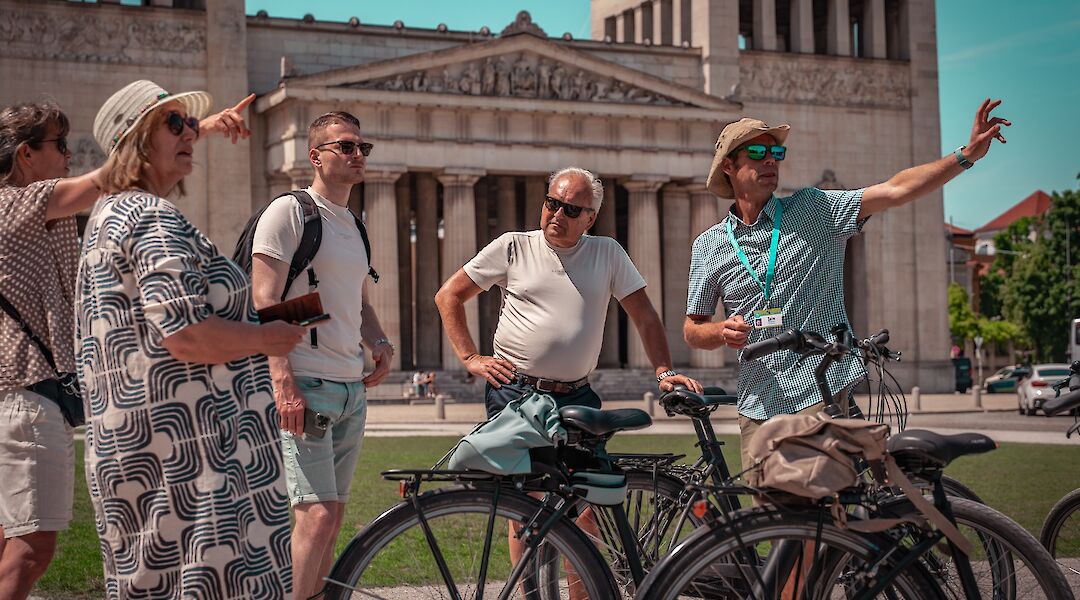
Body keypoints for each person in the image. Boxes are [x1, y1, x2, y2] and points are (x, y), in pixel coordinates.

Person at [0, 92, 252, 599]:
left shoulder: (33, 211)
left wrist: (187, 132)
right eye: (59, 144)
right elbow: (107, 178)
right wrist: (194, 131)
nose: (69, 155)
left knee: (12, 540)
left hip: (21, 393)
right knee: (32, 547)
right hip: (26, 392)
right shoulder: (14, 202)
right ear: (25, 154)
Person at [684, 99, 1010, 472]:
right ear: (729, 165)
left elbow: (894, 190)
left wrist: (965, 156)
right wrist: (720, 331)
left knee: (822, 512)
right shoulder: (709, 245)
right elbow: (692, 330)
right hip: (757, 401)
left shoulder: (814, 210)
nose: (771, 160)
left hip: (818, 386)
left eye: (776, 152)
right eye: (757, 152)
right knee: (771, 520)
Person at [75, 79, 305, 599]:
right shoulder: (151, 216)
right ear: (135, 140)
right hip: (197, 463)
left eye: (191, 123)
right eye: (174, 124)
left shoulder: (108, 216)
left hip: (141, 450)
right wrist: (268, 337)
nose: (190, 134)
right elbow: (186, 335)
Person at [436, 166, 702, 597]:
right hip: (515, 391)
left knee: (586, 508)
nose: (557, 214)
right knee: (525, 507)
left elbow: (645, 316)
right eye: (552, 203)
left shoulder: (607, 253)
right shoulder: (513, 246)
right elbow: (449, 294)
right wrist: (470, 358)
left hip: (577, 394)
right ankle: (534, 597)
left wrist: (664, 370)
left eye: (571, 209)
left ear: (590, 217)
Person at [249, 111, 393, 600]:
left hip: (350, 389)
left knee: (330, 521)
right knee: (317, 515)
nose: (358, 156)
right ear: (316, 156)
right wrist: (282, 381)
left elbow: (359, 303)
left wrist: (379, 343)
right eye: (345, 147)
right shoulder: (289, 212)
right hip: (306, 383)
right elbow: (264, 299)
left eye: (362, 148)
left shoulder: (354, 224)